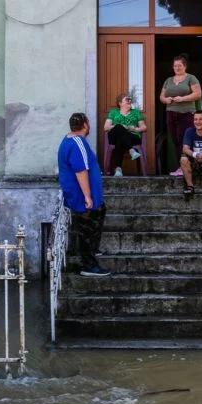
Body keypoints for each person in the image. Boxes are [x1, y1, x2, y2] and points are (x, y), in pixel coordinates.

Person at [57, 112, 110, 276]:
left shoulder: (68, 140)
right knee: (87, 228)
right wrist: (87, 195)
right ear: (86, 125)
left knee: (99, 213)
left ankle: (92, 250)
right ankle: (89, 266)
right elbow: (81, 171)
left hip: (83, 195)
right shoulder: (77, 143)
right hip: (81, 195)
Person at [159, 53, 202, 177]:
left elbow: (198, 94)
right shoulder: (168, 80)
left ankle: (190, 167)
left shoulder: (191, 78)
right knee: (176, 140)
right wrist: (165, 100)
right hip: (171, 113)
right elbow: (162, 96)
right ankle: (182, 167)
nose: (177, 68)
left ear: (185, 66)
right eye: (175, 66)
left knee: (186, 139)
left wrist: (182, 99)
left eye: (179, 65)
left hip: (187, 113)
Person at [102, 92, 146, 176]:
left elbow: (144, 127)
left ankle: (118, 169)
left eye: (130, 99)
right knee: (119, 127)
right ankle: (131, 150)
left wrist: (134, 129)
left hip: (132, 136)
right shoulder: (113, 112)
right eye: (127, 99)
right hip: (114, 136)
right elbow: (106, 127)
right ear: (120, 103)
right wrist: (119, 126)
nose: (129, 101)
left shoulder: (136, 112)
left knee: (120, 140)